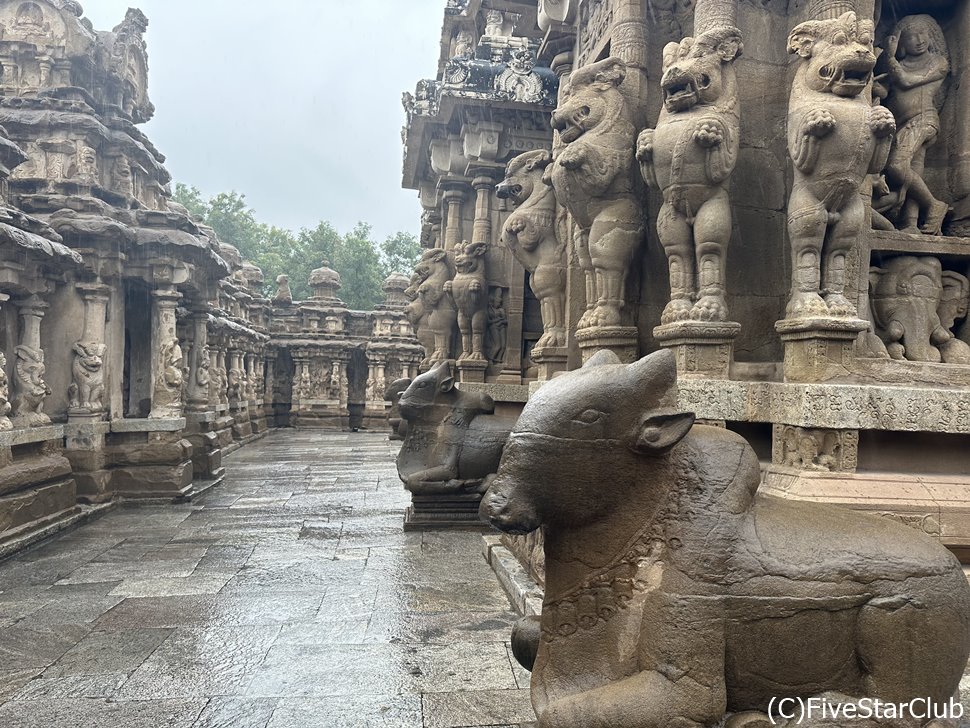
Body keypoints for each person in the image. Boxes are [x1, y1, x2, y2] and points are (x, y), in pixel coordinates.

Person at [882, 14, 949, 234]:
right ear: (902, 41)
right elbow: (888, 91)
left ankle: (933, 205)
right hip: (900, 125)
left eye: (924, 34)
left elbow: (908, 81)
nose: (919, 40)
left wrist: (890, 58)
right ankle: (910, 224)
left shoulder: (938, 63)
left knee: (897, 166)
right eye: (912, 37)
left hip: (924, 120)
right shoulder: (899, 66)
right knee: (913, 173)